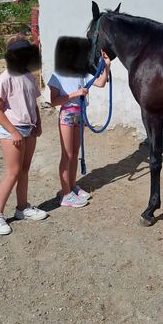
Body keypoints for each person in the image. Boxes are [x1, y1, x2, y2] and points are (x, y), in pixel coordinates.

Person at [0, 37, 48, 235]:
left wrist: (38, 123)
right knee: (13, 172)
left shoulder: (29, 76)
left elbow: (33, 103)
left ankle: (22, 208)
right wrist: (13, 131)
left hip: (29, 129)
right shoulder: (5, 77)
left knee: (24, 169)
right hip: (13, 131)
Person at [48, 51, 111, 207]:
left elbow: (101, 83)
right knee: (67, 154)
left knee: (75, 153)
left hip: (80, 115)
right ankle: (65, 194)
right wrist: (75, 93)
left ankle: (72, 186)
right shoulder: (58, 75)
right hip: (68, 115)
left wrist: (107, 66)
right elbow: (54, 101)